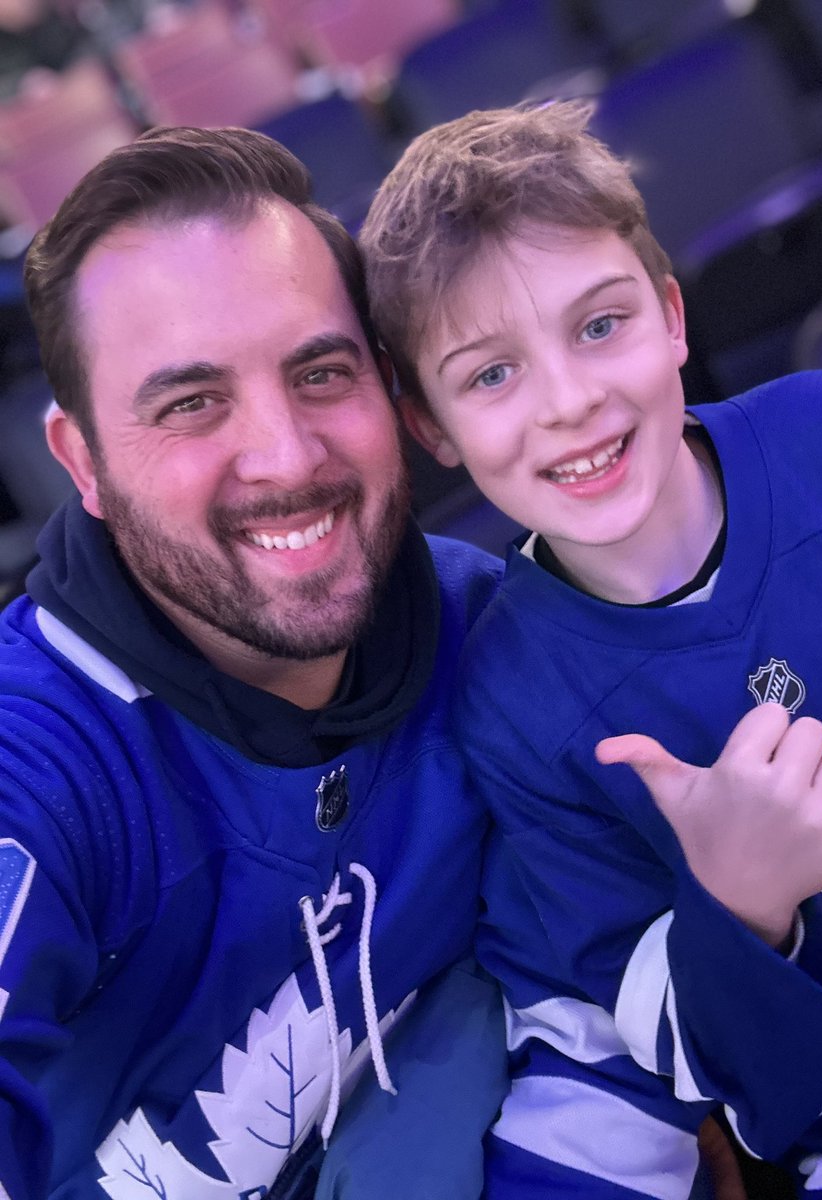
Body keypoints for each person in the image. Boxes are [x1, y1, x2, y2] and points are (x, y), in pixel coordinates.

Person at [359, 100, 822, 1197]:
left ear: (670, 314)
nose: (570, 402)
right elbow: (688, 1065)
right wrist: (739, 902)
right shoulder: (510, 702)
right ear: (432, 429)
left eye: (599, 325)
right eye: (490, 374)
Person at [0, 124, 511, 1198]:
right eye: (191, 404)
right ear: (81, 462)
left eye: (322, 371)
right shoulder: (41, 762)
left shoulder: (494, 628)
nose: (287, 455)